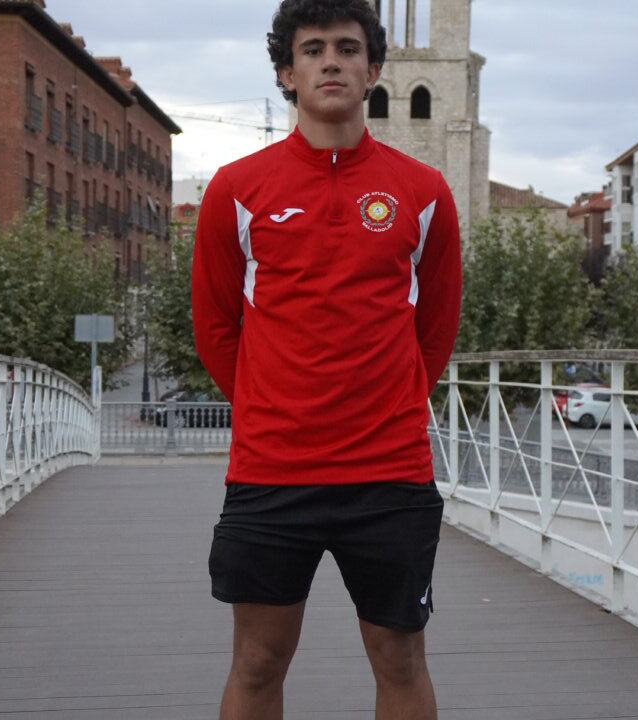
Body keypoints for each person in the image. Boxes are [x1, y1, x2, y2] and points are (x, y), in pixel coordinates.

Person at [191, 1, 461, 718]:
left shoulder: (424, 192)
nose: (332, 61)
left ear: (374, 69)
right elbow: (215, 327)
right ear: (287, 71)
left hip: (390, 473)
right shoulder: (234, 190)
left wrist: (388, 403)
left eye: (348, 48)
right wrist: (270, 404)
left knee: (399, 658)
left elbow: (434, 328)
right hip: (272, 471)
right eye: (313, 50)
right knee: (256, 662)